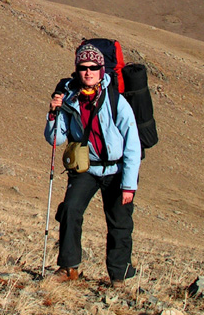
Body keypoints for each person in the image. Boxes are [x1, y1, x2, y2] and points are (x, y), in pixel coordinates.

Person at [44, 43, 141, 286]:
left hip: (116, 170)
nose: (88, 72)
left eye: (93, 67)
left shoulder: (116, 100)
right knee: (70, 210)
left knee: (119, 222)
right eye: (83, 67)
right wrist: (53, 114)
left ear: (102, 69)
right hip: (86, 168)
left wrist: (129, 185)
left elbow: (132, 144)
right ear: (77, 70)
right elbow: (56, 139)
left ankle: (120, 276)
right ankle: (69, 268)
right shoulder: (69, 97)